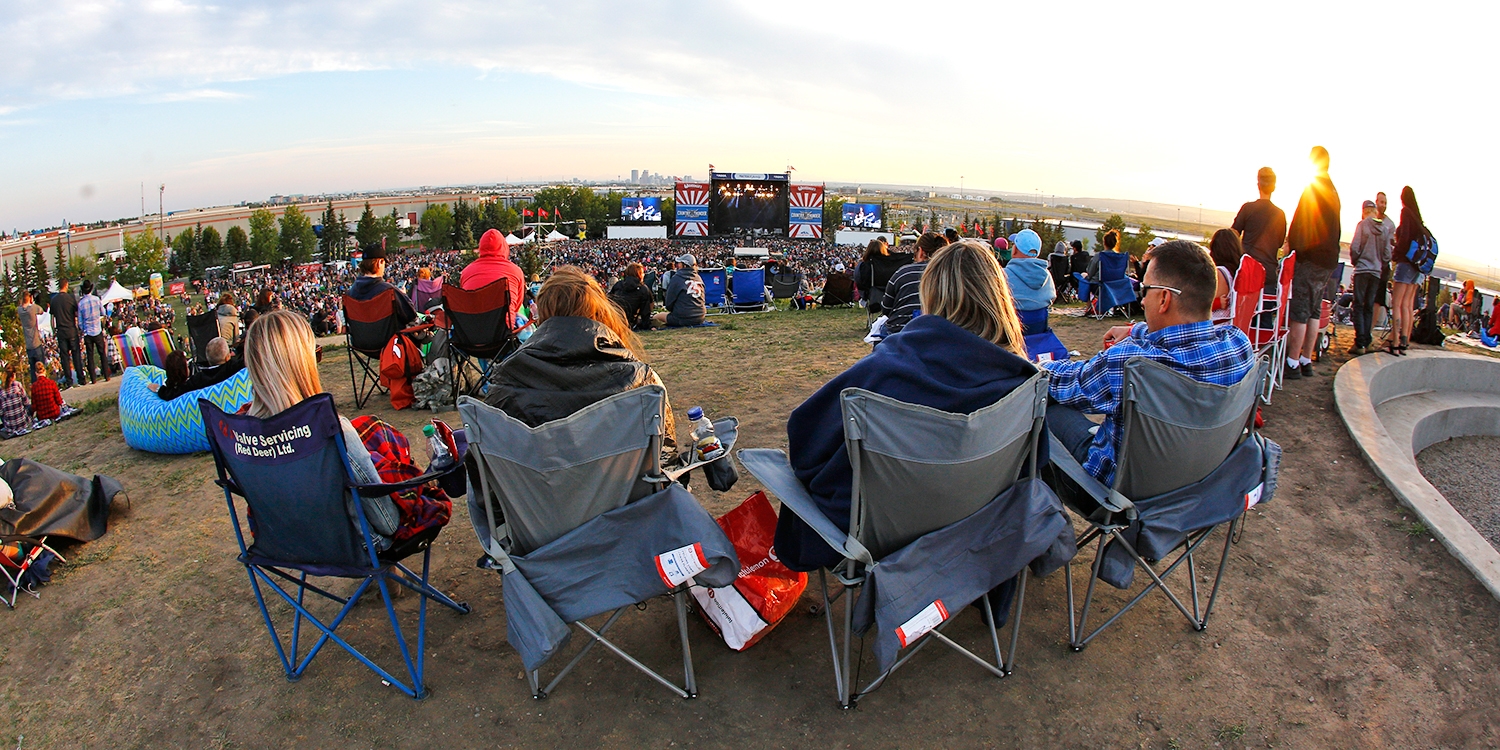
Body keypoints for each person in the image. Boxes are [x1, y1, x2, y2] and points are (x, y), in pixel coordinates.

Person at [775, 239, 1043, 572]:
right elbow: (1033, 465)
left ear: (930, 293)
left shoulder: (886, 370)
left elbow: (806, 435)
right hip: (975, 525)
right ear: (999, 298)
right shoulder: (1024, 382)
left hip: (879, 537)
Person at [1042, 240, 1255, 485]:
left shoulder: (1133, 363)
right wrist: (1136, 329)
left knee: (1047, 403)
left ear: (1164, 299)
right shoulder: (1239, 346)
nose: (1141, 301)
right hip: (1202, 478)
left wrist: (1033, 366)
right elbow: (1184, 335)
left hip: (1119, 490)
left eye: (1145, 290)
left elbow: (1068, 383)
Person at [242, 310, 442, 550]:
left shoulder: (240, 436)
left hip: (283, 544)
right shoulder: (331, 431)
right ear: (301, 365)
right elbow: (387, 523)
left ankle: (388, 582)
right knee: (381, 446)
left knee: (370, 433)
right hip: (352, 544)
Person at [487, 267, 678, 456]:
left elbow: (489, 467)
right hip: (620, 485)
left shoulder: (507, 378)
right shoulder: (641, 379)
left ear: (542, 317)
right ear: (601, 312)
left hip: (532, 485)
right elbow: (665, 458)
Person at [1283, 146, 1341, 379]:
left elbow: (1302, 222)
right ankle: (1307, 359)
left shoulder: (1313, 189)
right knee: (1314, 311)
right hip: (1327, 260)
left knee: (1300, 311)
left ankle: (1292, 362)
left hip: (1310, 259)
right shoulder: (1333, 191)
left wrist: (1293, 246)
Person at [1387, 186, 1432, 356]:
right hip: (1417, 268)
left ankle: (1395, 342)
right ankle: (1404, 340)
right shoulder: (1418, 218)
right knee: (1407, 305)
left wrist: (1396, 253)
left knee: (1397, 303)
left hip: (1406, 264)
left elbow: (1404, 238)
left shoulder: (1406, 213)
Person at [1231, 167, 1288, 292]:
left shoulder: (1247, 208)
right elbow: (1279, 243)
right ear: (1274, 187)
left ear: (1258, 185)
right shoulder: (1280, 214)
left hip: (1247, 271)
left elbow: (1233, 235)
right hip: (1268, 274)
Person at [882, 231, 948, 334]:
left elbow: (886, 308)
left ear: (920, 251)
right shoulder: (951, 275)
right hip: (941, 334)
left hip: (900, 333)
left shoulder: (903, 273)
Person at [1348, 199, 1390, 355]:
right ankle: (1367, 341)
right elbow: (1387, 255)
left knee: (1358, 305)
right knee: (1369, 307)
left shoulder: (1363, 225)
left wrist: (1356, 261)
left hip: (1362, 270)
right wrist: (1379, 264)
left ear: (1364, 211)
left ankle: (1359, 344)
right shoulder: (1384, 229)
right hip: (1376, 272)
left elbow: (1354, 247)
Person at [460, 229, 525, 328]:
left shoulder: (466, 272)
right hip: (503, 330)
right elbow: (517, 305)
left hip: (469, 331)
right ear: (504, 247)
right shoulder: (515, 271)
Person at [347, 245, 417, 327]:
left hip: (359, 338)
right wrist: (403, 295)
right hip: (389, 338)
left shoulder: (350, 293)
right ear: (380, 262)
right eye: (384, 264)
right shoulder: (389, 291)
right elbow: (411, 316)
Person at [152, 338, 243, 400]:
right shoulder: (235, 368)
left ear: (207, 358)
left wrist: (160, 389)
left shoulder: (197, 380)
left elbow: (170, 394)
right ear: (227, 357)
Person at [853, 238, 911, 314]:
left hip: (874, 297)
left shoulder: (865, 265)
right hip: (894, 295)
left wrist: (865, 294)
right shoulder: (893, 263)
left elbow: (860, 281)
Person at [1005, 229, 1057, 312]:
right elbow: (1053, 297)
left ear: (1015, 250)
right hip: (1039, 322)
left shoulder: (1004, 274)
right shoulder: (1046, 274)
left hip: (1012, 321)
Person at [654, 253, 706, 327]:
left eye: (679, 263)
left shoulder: (677, 278)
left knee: (657, 316)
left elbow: (668, 303)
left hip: (682, 318)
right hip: (700, 317)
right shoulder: (699, 278)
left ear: (684, 265)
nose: (677, 265)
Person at [51, 279, 84, 388]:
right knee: (76, 355)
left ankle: (69, 382)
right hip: (71, 329)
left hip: (61, 330)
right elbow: (76, 313)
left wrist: (54, 330)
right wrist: (78, 327)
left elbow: (52, 318)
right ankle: (81, 379)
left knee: (64, 357)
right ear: (66, 285)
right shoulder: (71, 298)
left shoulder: (54, 300)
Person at [1206, 229, 1241, 324]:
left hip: (1215, 326)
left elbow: (1202, 306)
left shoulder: (1219, 273)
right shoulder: (1237, 272)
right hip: (1229, 325)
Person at [609, 262, 656, 331]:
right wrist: (647, 325)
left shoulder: (618, 284)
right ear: (639, 274)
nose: (644, 275)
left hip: (613, 320)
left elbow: (609, 299)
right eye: (642, 273)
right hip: (628, 322)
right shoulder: (643, 289)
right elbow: (646, 311)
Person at [77, 280, 108, 384]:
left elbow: (80, 322)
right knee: (102, 353)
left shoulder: (81, 303)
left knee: (90, 356)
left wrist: (83, 329)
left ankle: (93, 379)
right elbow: (103, 312)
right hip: (97, 329)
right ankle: (106, 375)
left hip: (88, 332)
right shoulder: (96, 299)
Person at [18, 291, 44, 383]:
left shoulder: (20, 310)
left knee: (33, 370)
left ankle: (34, 388)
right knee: (41, 368)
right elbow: (41, 311)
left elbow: (22, 306)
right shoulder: (33, 308)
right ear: (30, 298)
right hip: (36, 342)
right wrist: (32, 302)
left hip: (28, 345)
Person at [0, 365, 33, 435]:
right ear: (13, 374)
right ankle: (27, 420)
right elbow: (26, 402)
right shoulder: (17, 384)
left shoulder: (1, 390)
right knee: (29, 406)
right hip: (23, 423)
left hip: (10, 427)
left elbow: (1, 412)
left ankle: (9, 426)